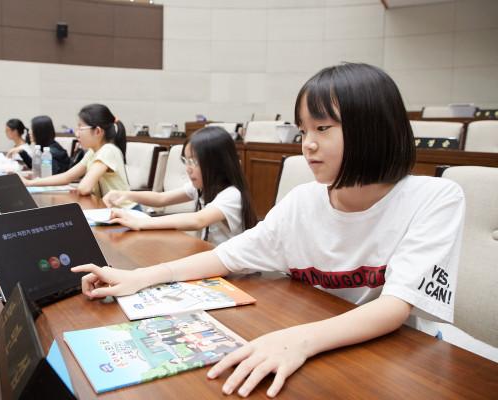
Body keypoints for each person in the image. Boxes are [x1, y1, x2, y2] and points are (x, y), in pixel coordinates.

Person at [71, 63, 465, 397]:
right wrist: (141, 277)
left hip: (394, 359)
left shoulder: (434, 198)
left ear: (372, 128)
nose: (307, 145)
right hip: (317, 346)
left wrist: (299, 340)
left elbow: (393, 308)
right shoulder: (303, 201)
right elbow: (227, 256)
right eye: (303, 131)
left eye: (322, 128)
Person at [103, 126, 257, 245]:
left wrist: (142, 222)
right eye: (186, 161)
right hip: (210, 257)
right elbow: (161, 199)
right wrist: (126, 194)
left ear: (217, 163)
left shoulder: (232, 195)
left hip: (235, 270)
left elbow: (198, 220)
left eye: (194, 161)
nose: (188, 168)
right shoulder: (201, 188)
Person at [22, 105, 135, 205]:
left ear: (97, 131)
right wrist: (30, 183)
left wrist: (80, 187)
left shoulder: (108, 150)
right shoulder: (93, 152)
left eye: (80, 128)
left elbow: (84, 188)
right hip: (107, 209)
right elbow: (67, 177)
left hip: (126, 211)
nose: (76, 134)